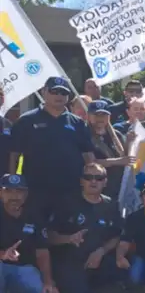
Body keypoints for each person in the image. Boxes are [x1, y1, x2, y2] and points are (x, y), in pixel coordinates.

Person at [10, 77, 95, 220]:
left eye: (63, 92)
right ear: (44, 92)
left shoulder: (78, 123)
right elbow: (14, 155)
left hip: (70, 190)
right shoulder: (26, 121)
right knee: (36, 229)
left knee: (68, 230)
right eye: (54, 91)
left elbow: (88, 157)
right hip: (36, 190)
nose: (59, 96)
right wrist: (14, 182)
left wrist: (91, 180)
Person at [48, 163, 124, 293]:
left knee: (123, 267)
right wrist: (68, 239)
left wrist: (101, 251)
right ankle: (75, 289)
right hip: (72, 260)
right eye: (88, 177)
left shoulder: (111, 204)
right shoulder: (67, 203)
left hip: (99, 257)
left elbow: (117, 236)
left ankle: (98, 289)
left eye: (98, 178)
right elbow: (49, 236)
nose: (93, 181)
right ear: (81, 181)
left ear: (105, 182)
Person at [0, 174, 58, 293]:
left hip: (24, 269)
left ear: (26, 194)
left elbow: (42, 251)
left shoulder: (34, 216)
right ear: (1, 193)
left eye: (19, 191)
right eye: (8, 191)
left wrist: (48, 281)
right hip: (1, 267)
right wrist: (3, 254)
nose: (14, 196)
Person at [86, 101, 131, 200]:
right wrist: (118, 161)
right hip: (98, 188)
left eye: (104, 115)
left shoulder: (117, 135)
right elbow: (90, 162)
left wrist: (128, 141)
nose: (100, 118)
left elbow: (125, 157)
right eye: (96, 115)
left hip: (118, 187)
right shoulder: (85, 135)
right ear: (89, 115)